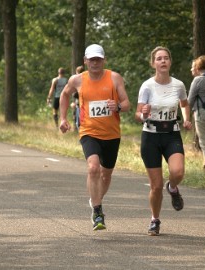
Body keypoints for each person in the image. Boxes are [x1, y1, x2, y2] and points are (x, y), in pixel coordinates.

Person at [59, 44, 130, 231]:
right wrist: (63, 118)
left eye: (98, 59)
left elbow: (127, 103)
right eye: (92, 59)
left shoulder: (114, 78)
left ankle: (95, 199)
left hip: (112, 134)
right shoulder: (77, 80)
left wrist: (118, 106)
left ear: (104, 60)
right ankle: (98, 211)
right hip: (89, 132)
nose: (95, 63)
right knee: (93, 168)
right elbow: (65, 95)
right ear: (85, 61)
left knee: (106, 175)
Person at [135, 46, 192, 236]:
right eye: (159, 59)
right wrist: (143, 114)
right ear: (153, 63)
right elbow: (138, 114)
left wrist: (186, 118)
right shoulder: (147, 86)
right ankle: (155, 219)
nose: (163, 61)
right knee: (156, 186)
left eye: (166, 58)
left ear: (170, 62)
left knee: (178, 171)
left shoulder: (178, 85)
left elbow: (184, 104)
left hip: (171, 134)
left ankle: (173, 188)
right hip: (150, 135)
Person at [70, 65, 84, 131]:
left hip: (80, 105)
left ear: (77, 72)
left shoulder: (79, 81)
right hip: (80, 104)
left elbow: (76, 94)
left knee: (79, 122)